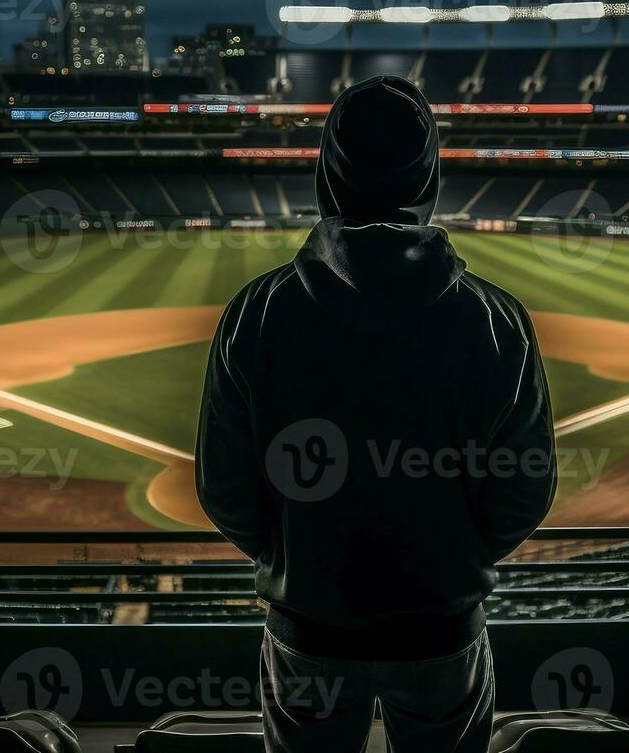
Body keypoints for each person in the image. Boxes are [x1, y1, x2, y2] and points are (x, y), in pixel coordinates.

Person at [197, 76, 556, 753]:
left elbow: (226, 490)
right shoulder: (498, 320)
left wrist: (294, 560)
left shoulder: (258, 312)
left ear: (329, 172)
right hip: (443, 631)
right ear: (429, 174)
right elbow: (523, 491)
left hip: (307, 629)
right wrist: (454, 559)